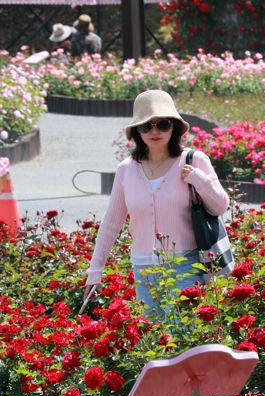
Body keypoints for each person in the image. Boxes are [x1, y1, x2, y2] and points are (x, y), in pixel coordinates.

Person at [83, 89, 229, 315]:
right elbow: (111, 223)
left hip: (186, 265)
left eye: (162, 124)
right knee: (153, 341)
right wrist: (95, 272)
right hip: (143, 270)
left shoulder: (194, 160)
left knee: (180, 334)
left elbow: (221, 206)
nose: (154, 131)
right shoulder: (126, 170)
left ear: (174, 127)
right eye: (146, 126)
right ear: (136, 131)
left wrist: (198, 179)